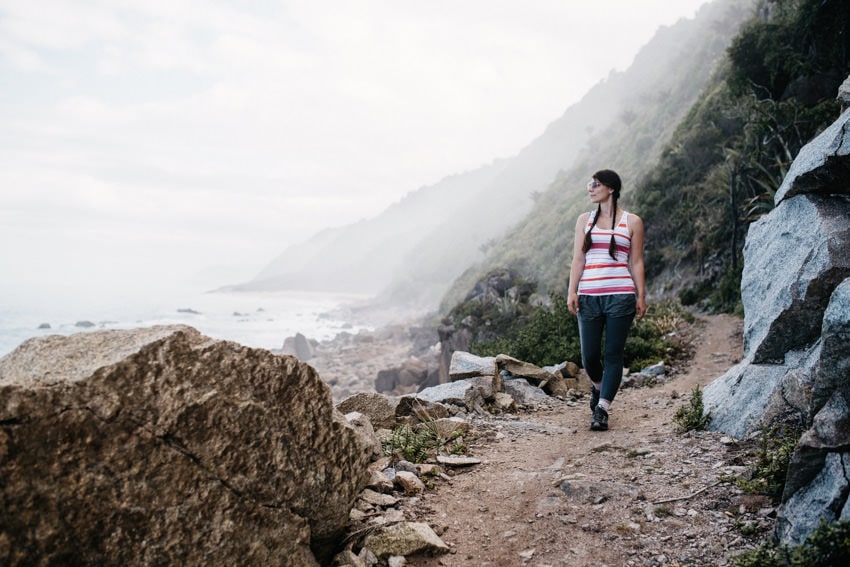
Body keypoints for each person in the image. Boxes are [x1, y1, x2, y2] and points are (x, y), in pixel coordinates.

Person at [567, 169, 647, 431]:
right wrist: (572, 291)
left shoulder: (632, 222)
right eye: (590, 184)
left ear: (610, 188)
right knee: (589, 356)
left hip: (621, 296)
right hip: (589, 296)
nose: (590, 188)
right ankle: (599, 387)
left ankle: (602, 409)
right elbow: (578, 259)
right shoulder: (584, 221)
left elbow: (635, 261)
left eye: (596, 184)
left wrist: (641, 294)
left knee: (613, 354)